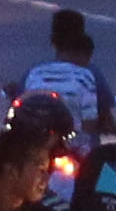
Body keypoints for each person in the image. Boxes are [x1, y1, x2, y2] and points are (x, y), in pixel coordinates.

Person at [15, 10, 109, 149]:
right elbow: (98, 119)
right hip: (77, 149)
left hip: (37, 146)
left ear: (53, 40)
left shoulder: (35, 72)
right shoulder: (90, 74)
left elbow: (20, 107)